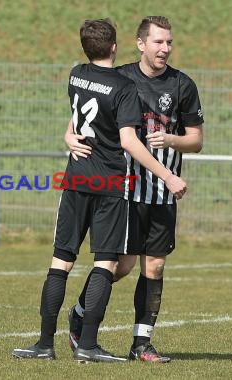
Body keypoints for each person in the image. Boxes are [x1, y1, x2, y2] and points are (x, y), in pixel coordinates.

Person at [11, 18, 187, 363]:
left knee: (60, 262)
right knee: (105, 263)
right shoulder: (123, 87)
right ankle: (88, 344)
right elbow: (129, 142)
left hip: (76, 177)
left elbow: (78, 117)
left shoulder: (76, 74)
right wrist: (167, 175)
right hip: (109, 182)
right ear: (115, 47)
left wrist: (67, 136)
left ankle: (45, 343)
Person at [65, 16, 204, 363]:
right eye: (158, 42)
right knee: (121, 267)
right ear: (140, 44)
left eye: (169, 42)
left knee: (154, 266)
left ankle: (141, 343)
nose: (165, 48)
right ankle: (81, 313)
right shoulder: (121, 77)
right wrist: (68, 135)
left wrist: (172, 139)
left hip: (162, 192)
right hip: (125, 189)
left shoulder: (182, 85)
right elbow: (82, 115)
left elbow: (197, 140)